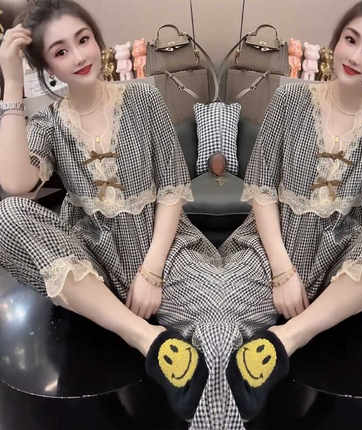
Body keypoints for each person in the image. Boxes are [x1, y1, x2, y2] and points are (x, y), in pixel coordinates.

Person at [0, 0, 223, 423]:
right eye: (61, 51)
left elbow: (172, 190)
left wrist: (151, 272)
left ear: (97, 40)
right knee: (9, 213)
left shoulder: (143, 98)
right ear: (48, 66)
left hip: (163, 250)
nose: (78, 56)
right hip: (92, 263)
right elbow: (16, 183)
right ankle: (142, 336)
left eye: (83, 40)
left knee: (217, 334)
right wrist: (12, 84)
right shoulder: (49, 123)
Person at [221, 0, 362, 422]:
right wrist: (283, 272)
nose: (355, 56)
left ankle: (292, 336)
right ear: (336, 40)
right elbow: (261, 189)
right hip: (270, 249)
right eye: (351, 40)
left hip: (340, 262)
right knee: (218, 336)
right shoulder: (291, 98)